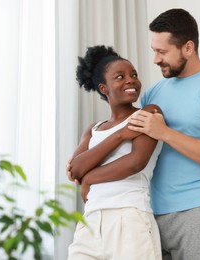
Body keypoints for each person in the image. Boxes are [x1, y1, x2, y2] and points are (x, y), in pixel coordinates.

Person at [127, 8, 200, 260]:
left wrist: (165, 132)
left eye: (162, 51)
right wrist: (86, 159)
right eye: (153, 50)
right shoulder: (152, 93)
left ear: (188, 47)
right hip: (152, 213)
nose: (155, 59)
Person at [66, 45, 163, 260]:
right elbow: (75, 169)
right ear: (104, 88)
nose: (130, 80)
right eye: (120, 77)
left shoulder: (149, 113)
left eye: (134, 75)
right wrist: (120, 135)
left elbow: (135, 162)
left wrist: (89, 178)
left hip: (129, 218)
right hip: (90, 222)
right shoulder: (93, 129)